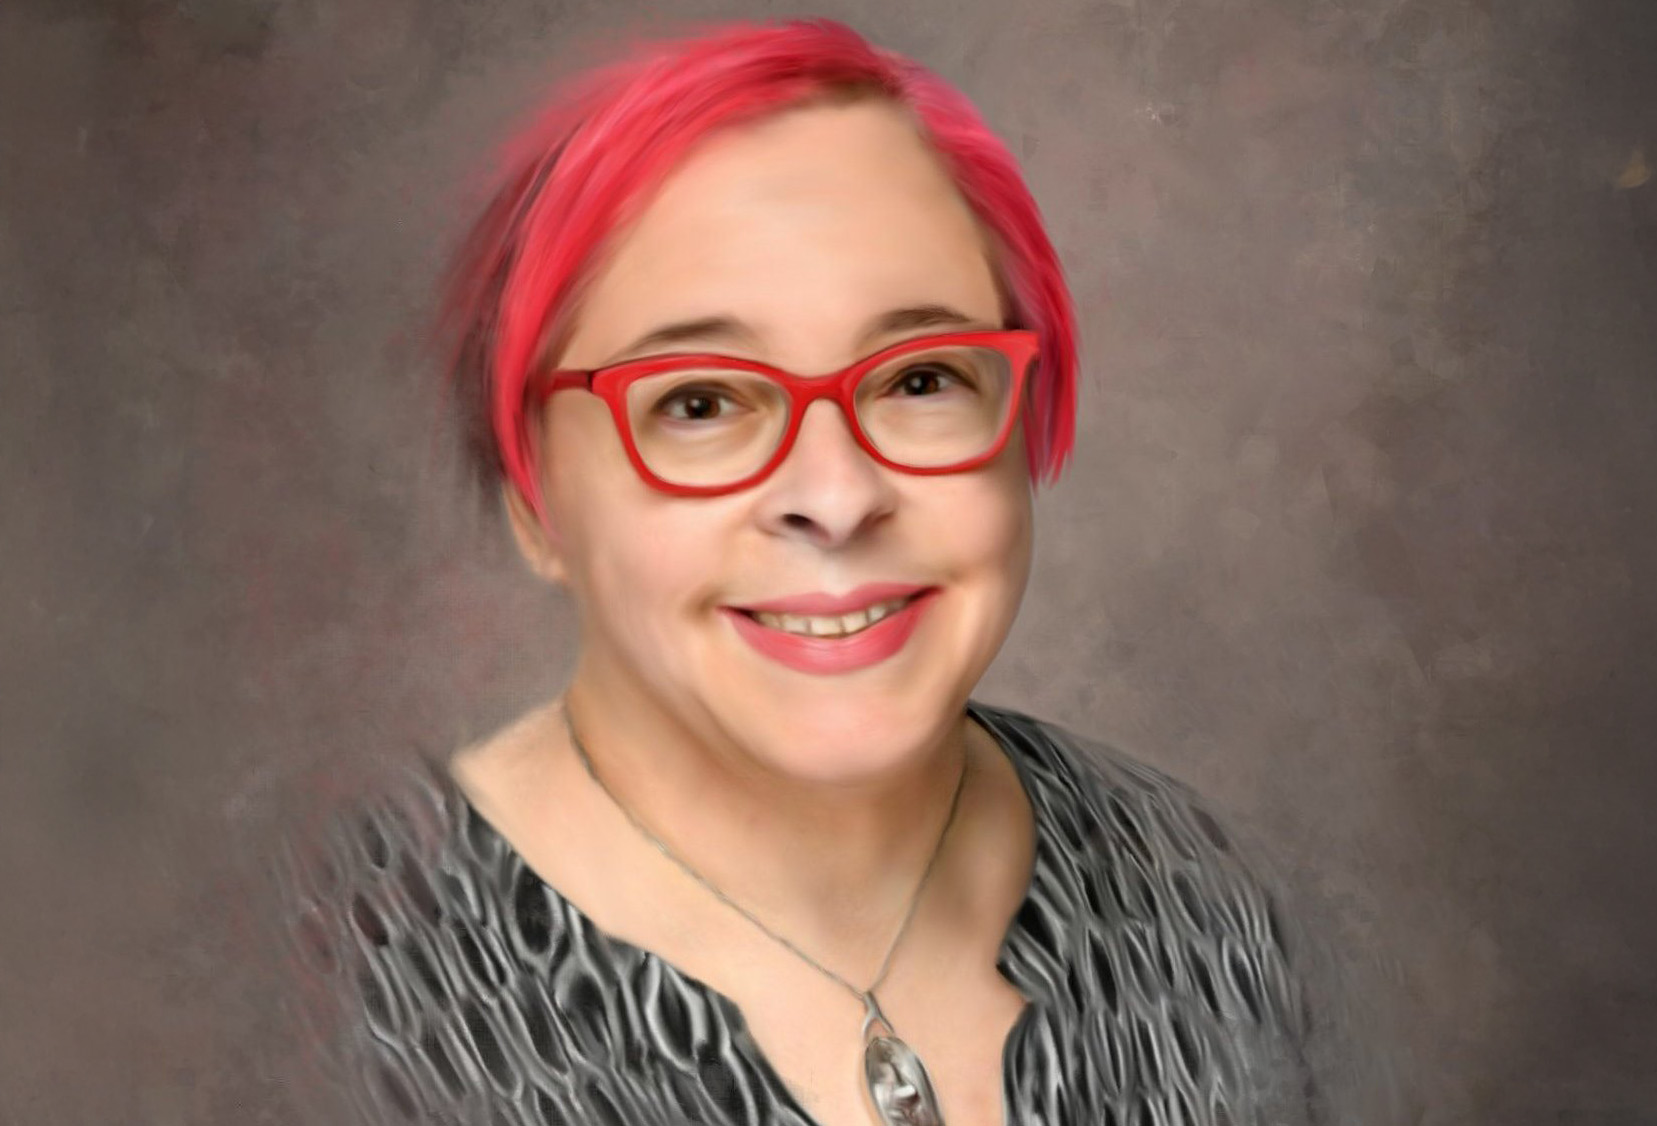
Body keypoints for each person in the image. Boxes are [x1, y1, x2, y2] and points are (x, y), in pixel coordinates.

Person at [278, 17, 1319, 1126]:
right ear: (534, 498)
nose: (835, 496)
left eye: (920, 379)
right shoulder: (344, 988)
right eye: (699, 402)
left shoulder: (1208, 898)